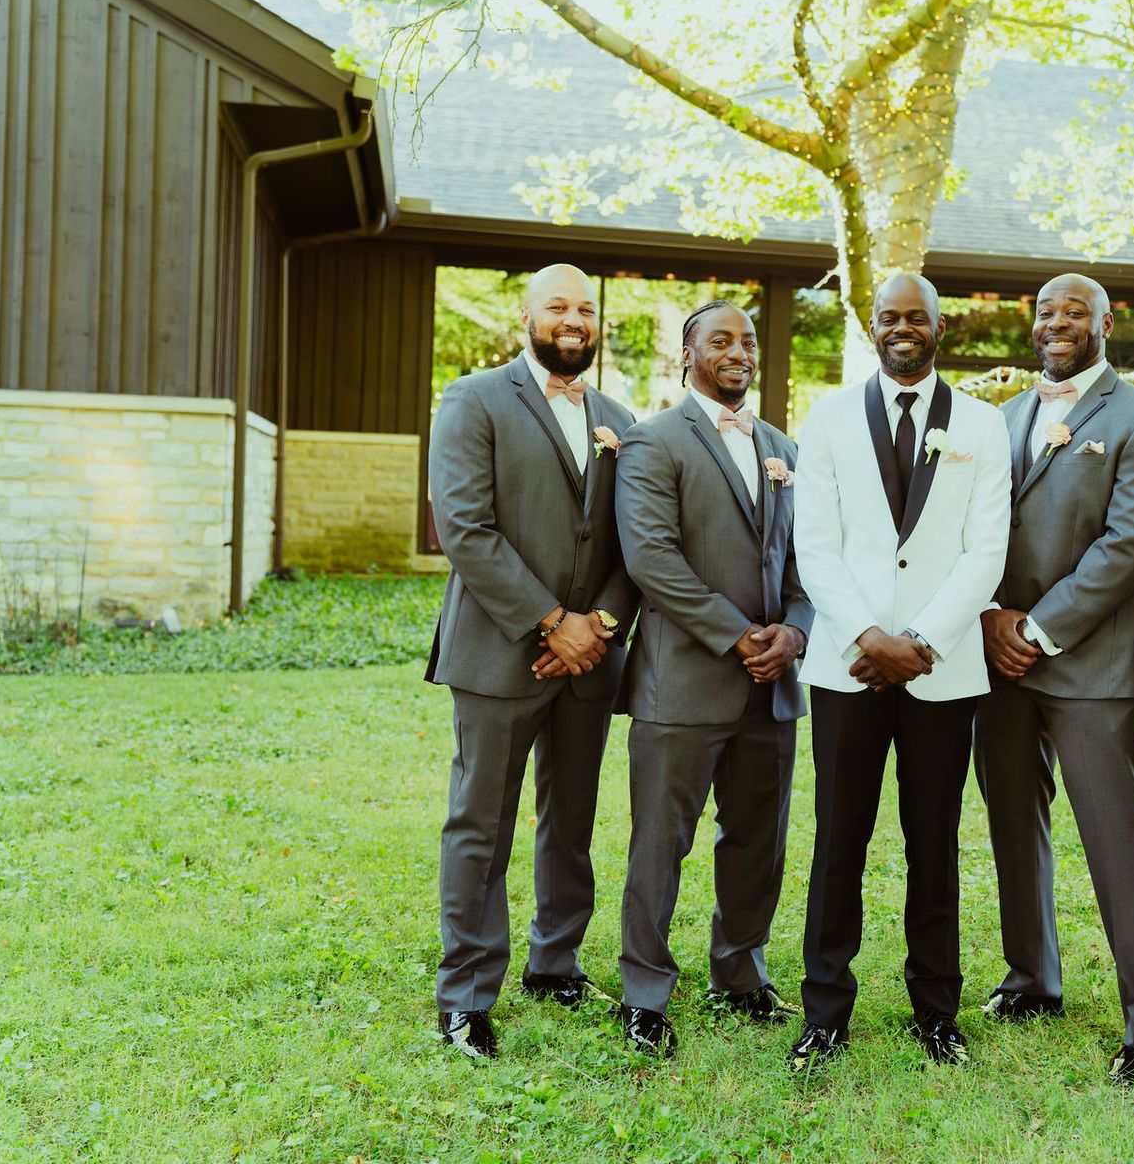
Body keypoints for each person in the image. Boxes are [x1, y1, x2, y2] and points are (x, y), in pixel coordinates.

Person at [788, 272, 1011, 1070]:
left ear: (940, 328)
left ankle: (937, 1011)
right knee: (838, 840)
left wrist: (920, 640)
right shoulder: (829, 417)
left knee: (934, 841)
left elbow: (987, 550)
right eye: (890, 317)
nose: (903, 328)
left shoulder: (984, 425)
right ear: (872, 326)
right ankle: (824, 1012)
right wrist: (870, 637)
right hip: (849, 665)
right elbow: (814, 542)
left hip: (941, 672)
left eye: (917, 317)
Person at [974, 273, 1134, 1083]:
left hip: (1090, 663)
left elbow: (1130, 547)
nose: (1057, 324)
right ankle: (1032, 981)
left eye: (1074, 312)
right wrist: (994, 615)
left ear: (1107, 323)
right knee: (1011, 823)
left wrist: (1040, 626)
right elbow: (979, 527)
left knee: (1116, 837)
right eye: (1044, 313)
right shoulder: (1003, 420)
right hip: (997, 661)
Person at [425, 263, 638, 1060]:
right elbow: (466, 530)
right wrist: (552, 623)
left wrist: (599, 625)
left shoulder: (621, 418)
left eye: (586, 307)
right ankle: (467, 993)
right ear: (526, 317)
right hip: (499, 655)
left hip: (591, 660)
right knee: (481, 823)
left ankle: (557, 962)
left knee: (571, 819)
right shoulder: (474, 400)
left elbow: (634, 542)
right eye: (558, 305)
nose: (574, 318)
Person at [607, 300, 812, 1059]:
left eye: (748, 342)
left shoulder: (782, 446)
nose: (738, 352)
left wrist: (793, 630)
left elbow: (806, 560)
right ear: (686, 355)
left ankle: (741, 974)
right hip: (684, 684)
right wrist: (737, 636)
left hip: (773, 684)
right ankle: (644, 993)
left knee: (759, 842)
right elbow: (651, 559)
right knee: (661, 844)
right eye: (720, 340)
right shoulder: (652, 441)